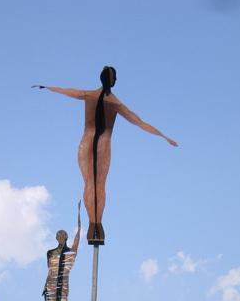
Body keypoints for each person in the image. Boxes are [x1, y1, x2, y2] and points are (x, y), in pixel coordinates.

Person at [33, 66, 177, 244]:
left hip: (95, 143)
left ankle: (96, 223)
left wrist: (163, 136)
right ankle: (95, 223)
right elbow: (139, 122)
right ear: (113, 81)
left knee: (94, 184)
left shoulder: (102, 100)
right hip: (95, 143)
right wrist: (47, 87)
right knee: (94, 184)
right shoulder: (107, 101)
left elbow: (68, 91)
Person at [43, 202, 81, 301]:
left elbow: (77, 242)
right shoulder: (50, 253)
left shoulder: (69, 253)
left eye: (63, 236)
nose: (60, 238)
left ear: (66, 238)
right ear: (56, 238)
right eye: (58, 236)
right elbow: (50, 271)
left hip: (63, 286)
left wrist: (79, 225)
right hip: (51, 286)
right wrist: (45, 287)